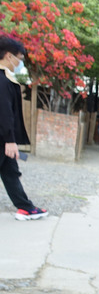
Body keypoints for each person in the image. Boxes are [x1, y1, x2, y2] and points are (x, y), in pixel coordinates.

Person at [0, 35, 48, 221]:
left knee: (10, 172)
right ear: (8, 56)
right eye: (19, 59)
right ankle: (25, 207)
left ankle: (25, 207)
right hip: (3, 138)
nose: (20, 63)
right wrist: (10, 140)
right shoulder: (3, 82)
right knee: (9, 170)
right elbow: (4, 113)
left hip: (4, 137)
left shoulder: (6, 79)